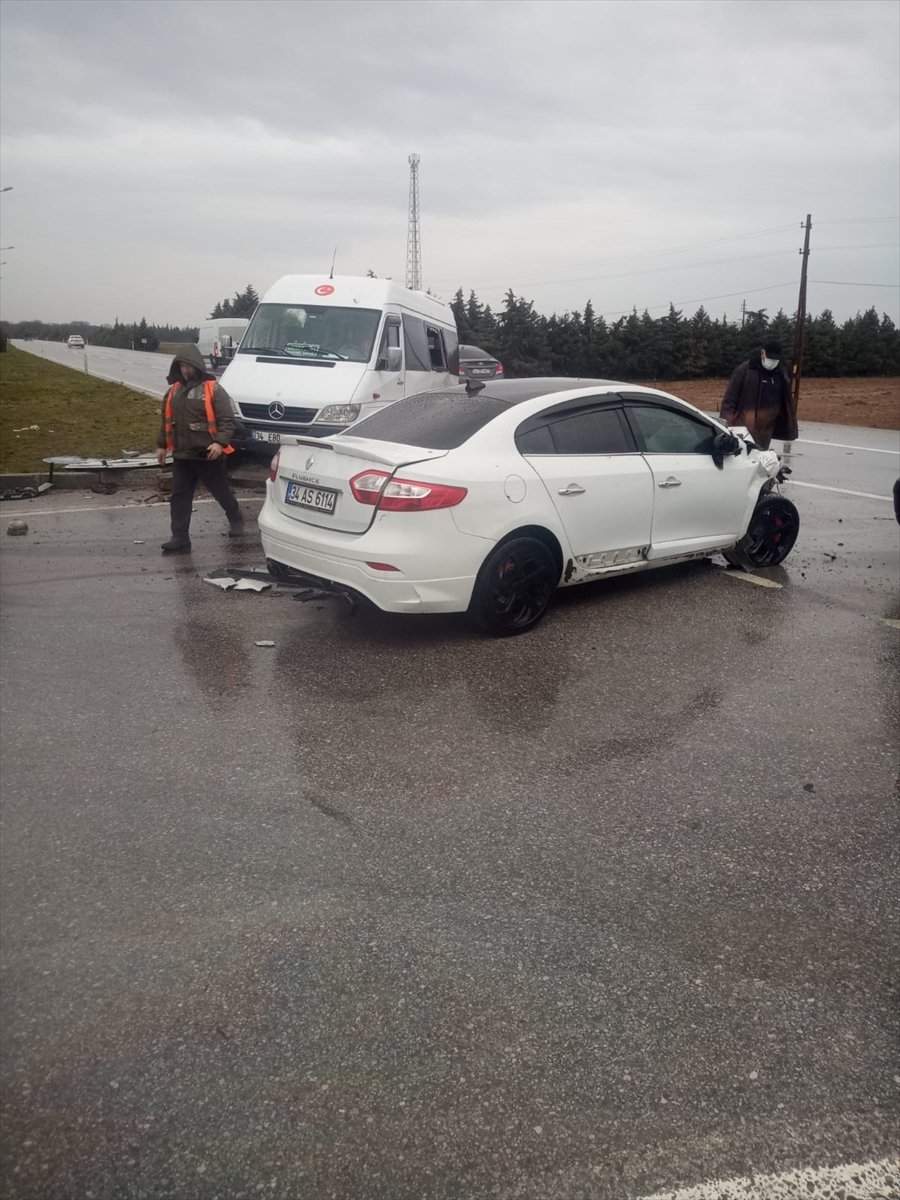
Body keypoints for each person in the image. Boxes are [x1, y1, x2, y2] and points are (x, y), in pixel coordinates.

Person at [156, 345, 243, 553]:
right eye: (182, 366)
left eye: (188, 366)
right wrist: (161, 446)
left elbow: (227, 420)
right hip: (182, 456)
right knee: (179, 497)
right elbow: (166, 421)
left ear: (197, 366)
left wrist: (219, 443)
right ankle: (179, 537)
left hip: (208, 456)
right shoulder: (173, 391)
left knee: (222, 493)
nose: (185, 370)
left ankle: (236, 519)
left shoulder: (214, 390)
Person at [720, 339, 798, 450]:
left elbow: (785, 402)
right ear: (762, 353)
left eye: (775, 360)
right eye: (770, 358)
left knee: (759, 460)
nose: (772, 362)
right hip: (742, 429)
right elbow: (729, 400)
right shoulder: (745, 371)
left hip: (766, 431)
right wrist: (727, 425)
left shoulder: (780, 374)